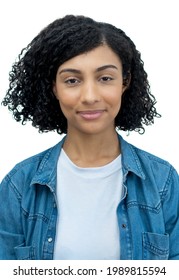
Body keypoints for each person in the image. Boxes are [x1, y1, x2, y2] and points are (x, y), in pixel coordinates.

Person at [0, 14, 179, 260]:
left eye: (105, 78)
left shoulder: (163, 182)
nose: (90, 96)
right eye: (72, 80)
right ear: (54, 88)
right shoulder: (18, 185)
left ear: (124, 82)